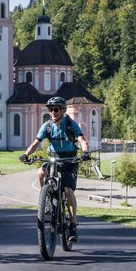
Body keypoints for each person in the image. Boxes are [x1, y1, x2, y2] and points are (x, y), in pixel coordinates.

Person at [19, 96, 90, 242]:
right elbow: (36, 143)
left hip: (69, 160)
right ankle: (46, 199)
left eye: (56, 109)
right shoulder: (47, 126)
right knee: (40, 172)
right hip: (53, 158)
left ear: (63, 110)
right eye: (50, 109)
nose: (52, 112)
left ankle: (73, 224)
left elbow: (82, 140)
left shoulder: (71, 124)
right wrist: (26, 154)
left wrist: (85, 153)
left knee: (68, 191)